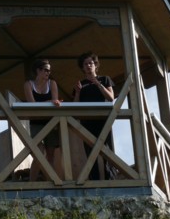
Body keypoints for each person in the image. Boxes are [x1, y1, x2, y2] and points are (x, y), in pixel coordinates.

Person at [73, 52, 115, 180]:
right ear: (82, 67)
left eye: (90, 63)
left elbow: (111, 97)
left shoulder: (104, 79)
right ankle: (95, 181)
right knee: (90, 152)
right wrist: (78, 92)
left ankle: (111, 180)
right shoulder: (80, 83)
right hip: (87, 122)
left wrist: (98, 84)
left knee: (107, 151)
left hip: (103, 121)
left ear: (95, 65)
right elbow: (75, 106)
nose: (88, 66)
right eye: (85, 64)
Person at [23, 59, 63, 180]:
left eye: (49, 71)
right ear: (38, 70)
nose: (48, 73)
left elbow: (54, 104)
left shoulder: (52, 84)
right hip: (35, 123)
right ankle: (32, 184)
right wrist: (48, 102)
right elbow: (32, 104)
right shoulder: (28, 85)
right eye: (45, 70)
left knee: (51, 155)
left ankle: (52, 183)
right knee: (39, 153)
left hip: (51, 122)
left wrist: (49, 103)